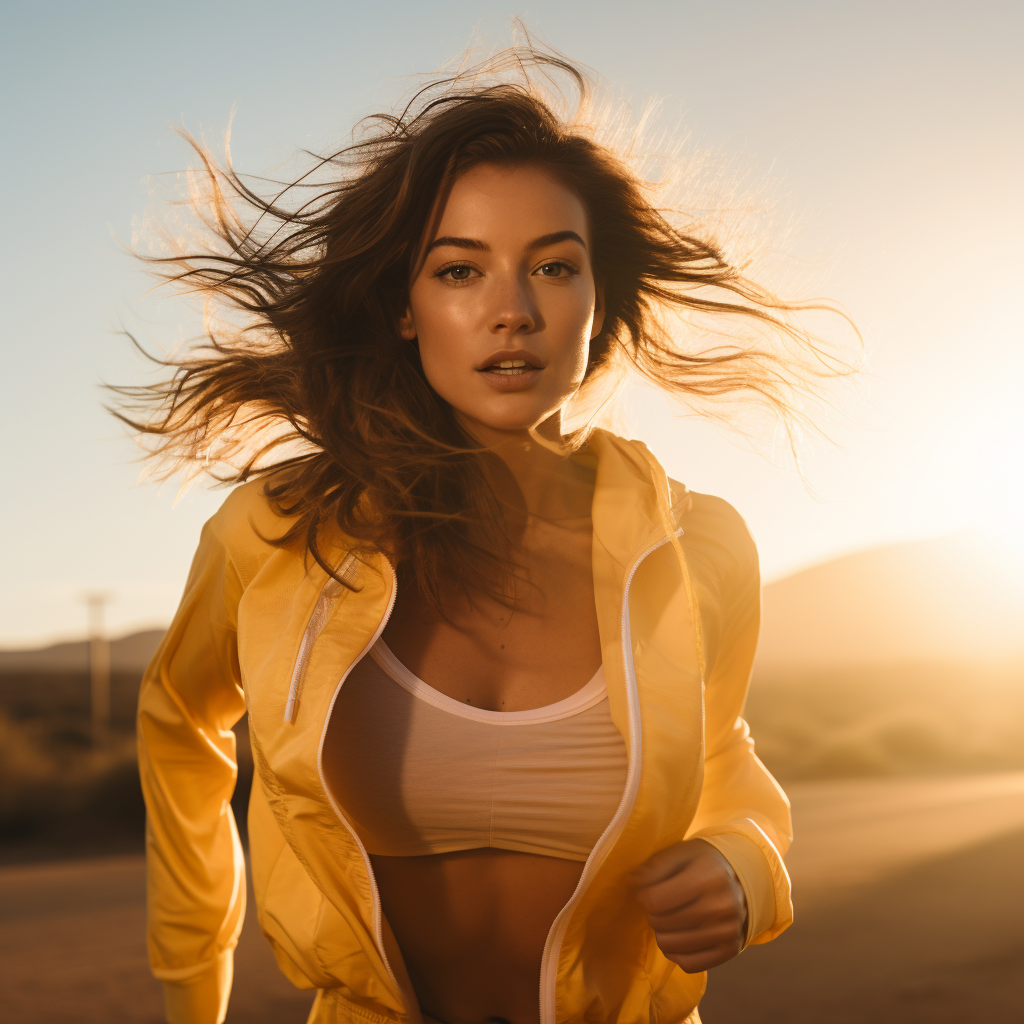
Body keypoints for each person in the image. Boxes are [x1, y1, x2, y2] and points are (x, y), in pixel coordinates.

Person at [125, 46, 845, 1024]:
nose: (512, 311)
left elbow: (719, 760)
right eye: (460, 270)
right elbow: (178, 720)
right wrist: (190, 989)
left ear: (599, 302)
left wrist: (741, 864)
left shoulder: (696, 545)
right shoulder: (280, 533)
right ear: (405, 309)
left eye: (554, 266)